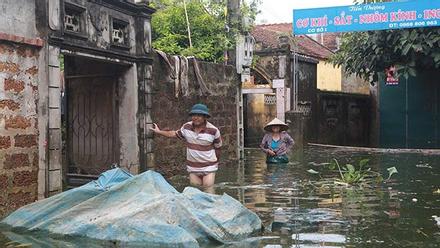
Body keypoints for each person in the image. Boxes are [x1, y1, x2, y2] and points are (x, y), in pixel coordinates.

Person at [150, 103, 222, 193]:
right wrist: (159, 132)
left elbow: (218, 148)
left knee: (208, 191)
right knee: (195, 193)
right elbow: (174, 134)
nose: (195, 117)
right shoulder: (187, 127)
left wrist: (216, 162)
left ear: (205, 117)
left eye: (199, 115)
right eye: (194, 115)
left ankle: (212, 207)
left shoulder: (213, 131)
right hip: (193, 168)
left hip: (209, 167)